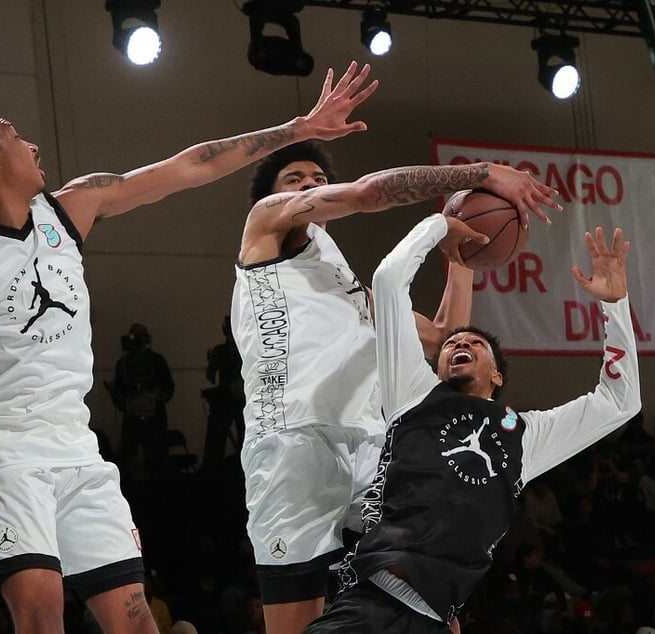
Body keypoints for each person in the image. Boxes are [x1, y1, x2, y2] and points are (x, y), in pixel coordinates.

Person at [0, 61, 378, 634]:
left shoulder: (70, 208)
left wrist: (297, 128)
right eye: (12, 134)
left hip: (75, 448)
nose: (31, 143)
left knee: (135, 619)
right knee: (41, 608)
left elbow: (187, 167)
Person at [231, 141, 560, 632]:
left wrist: (462, 255)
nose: (311, 186)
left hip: (368, 449)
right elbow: (367, 192)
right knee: (298, 624)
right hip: (292, 442)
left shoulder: (349, 290)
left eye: (319, 179)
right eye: (295, 179)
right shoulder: (265, 225)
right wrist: (482, 174)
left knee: (422, 575)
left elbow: (445, 335)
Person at [303, 218, 640, 632]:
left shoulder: (526, 436)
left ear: (498, 376)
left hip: (437, 617)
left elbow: (620, 401)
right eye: (449, 344)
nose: (459, 343)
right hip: (373, 597)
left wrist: (615, 305)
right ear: (439, 366)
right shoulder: (413, 392)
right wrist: (440, 226)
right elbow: (389, 280)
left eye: (475, 343)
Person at [110, 324, 174, 479]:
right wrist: (123, 402)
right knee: (128, 458)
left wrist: (157, 395)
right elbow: (118, 389)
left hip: (154, 419)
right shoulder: (123, 364)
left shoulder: (157, 361)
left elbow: (168, 387)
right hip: (132, 419)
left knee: (157, 459)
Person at [201, 315, 245, 471]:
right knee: (217, 440)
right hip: (227, 400)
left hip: (240, 401)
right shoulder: (221, 351)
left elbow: (211, 377)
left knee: (244, 438)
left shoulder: (243, 350)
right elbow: (211, 377)